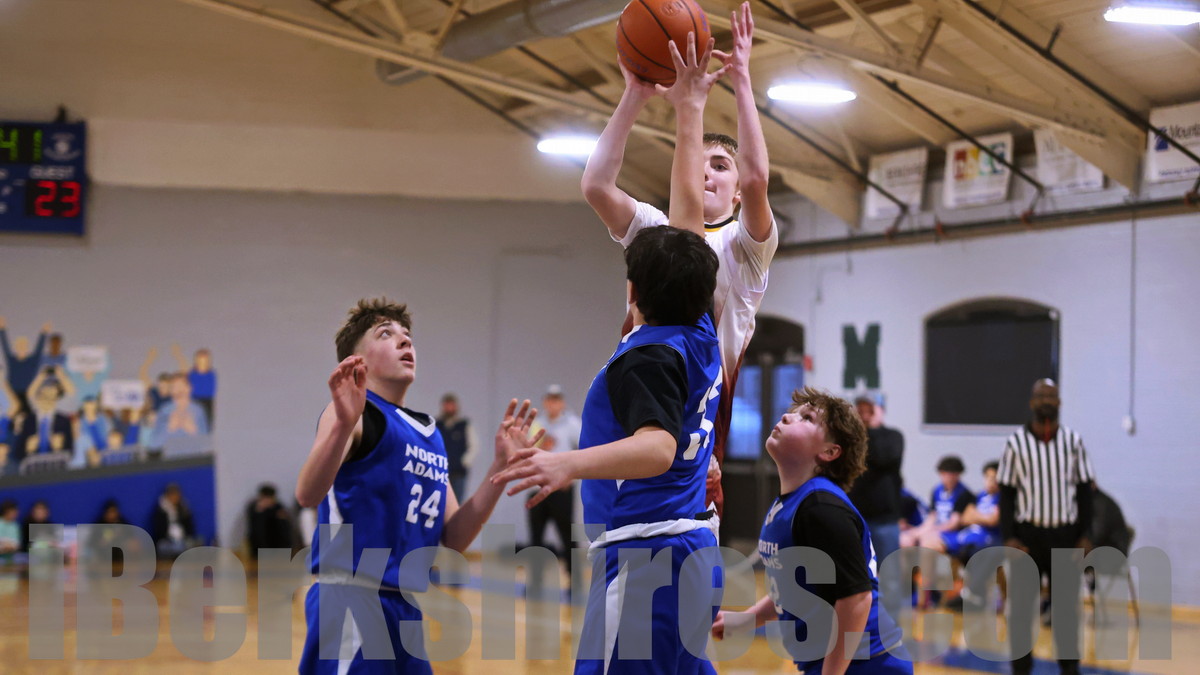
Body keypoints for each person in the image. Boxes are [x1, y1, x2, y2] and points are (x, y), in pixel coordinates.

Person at [581, 3, 777, 518]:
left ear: (737, 191)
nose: (707, 172)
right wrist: (634, 94)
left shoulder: (744, 247)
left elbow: (758, 178)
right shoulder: (656, 229)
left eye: (721, 165)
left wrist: (741, 80)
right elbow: (596, 185)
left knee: (671, 556)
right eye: (700, 162)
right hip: (639, 403)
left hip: (696, 432)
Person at [295, 298, 540, 674]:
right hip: (353, 599)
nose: (404, 340)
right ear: (356, 361)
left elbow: (454, 537)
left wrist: (499, 467)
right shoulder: (354, 414)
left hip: (406, 607)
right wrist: (343, 424)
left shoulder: (429, 434)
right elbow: (307, 493)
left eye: (407, 334)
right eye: (386, 334)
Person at [711, 388, 911, 674]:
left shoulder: (821, 508)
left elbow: (857, 598)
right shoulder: (794, 501)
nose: (787, 417)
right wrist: (748, 619)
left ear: (829, 452)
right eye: (793, 413)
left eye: (806, 418)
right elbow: (794, 586)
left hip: (868, 664)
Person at [998, 379, 1094, 675]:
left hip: (1065, 535)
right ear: (1032, 402)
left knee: (1066, 610)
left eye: (1051, 396)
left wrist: (1086, 534)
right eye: (1041, 396)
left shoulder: (1073, 441)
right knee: (1021, 611)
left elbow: (1085, 492)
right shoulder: (1016, 443)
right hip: (1027, 537)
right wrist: (1009, 537)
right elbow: (1006, 494)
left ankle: (1069, 669)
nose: (1046, 401)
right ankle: (1021, 669)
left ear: (1059, 402)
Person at [848, 392, 904, 617]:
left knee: (889, 575)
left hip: (885, 519)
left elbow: (883, 458)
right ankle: (860, 620)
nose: (865, 414)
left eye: (870, 409)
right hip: (856, 518)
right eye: (861, 410)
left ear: (881, 410)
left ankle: (892, 623)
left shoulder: (893, 437)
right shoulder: (851, 439)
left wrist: (870, 428)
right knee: (856, 574)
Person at [525, 384, 582, 575]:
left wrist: (572, 476)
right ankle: (535, 580)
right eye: (550, 399)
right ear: (544, 402)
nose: (553, 404)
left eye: (556, 400)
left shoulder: (573, 424)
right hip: (537, 487)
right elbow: (528, 452)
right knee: (535, 537)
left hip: (562, 488)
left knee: (567, 535)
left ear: (562, 403)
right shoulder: (537, 424)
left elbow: (584, 451)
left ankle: (574, 578)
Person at [0, 317, 51, 415]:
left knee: (29, 418)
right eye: (19, 346)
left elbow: (39, 349)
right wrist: (2, 329)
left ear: (27, 348)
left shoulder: (32, 361)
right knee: (10, 416)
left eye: (23, 346)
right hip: (12, 394)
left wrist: (44, 333)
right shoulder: (11, 360)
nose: (21, 348)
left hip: (28, 395)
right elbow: (5, 347)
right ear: (16, 348)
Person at [435, 392, 476, 499]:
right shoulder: (437, 425)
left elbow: (473, 446)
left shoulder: (463, 425)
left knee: (457, 501)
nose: (449, 408)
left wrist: (464, 462)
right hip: (440, 472)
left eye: (451, 405)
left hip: (458, 473)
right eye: (447, 405)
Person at [172, 344, 217, 428]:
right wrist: (178, 354)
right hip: (194, 400)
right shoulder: (193, 374)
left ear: (208, 362)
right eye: (200, 362)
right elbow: (184, 368)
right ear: (196, 362)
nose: (202, 364)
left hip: (207, 401)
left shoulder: (211, 374)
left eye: (205, 362)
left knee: (206, 424)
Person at [245, 483, 292, 559]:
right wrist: (260, 511)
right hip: (261, 543)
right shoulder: (254, 507)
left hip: (275, 539)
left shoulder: (278, 506)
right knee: (259, 523)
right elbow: (253, 526)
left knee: (283, 522)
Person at [151, 482, 199, 557]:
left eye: (177, 495)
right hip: (167, 542)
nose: (175, 498)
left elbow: (190, 528)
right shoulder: (160, 511)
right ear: (167, 496)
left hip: (183, 541)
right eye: (172, 495)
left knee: (192, 544)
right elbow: (159, 532)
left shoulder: (184, 509)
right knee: (163, 546)